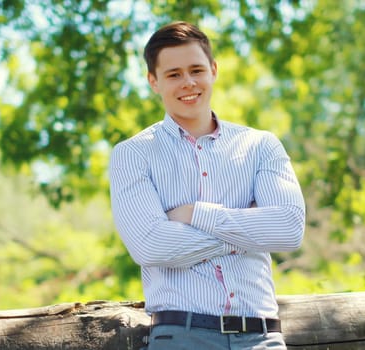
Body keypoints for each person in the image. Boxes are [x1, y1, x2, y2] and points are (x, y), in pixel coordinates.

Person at [108, 21, 306, 350]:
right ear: (153, 81)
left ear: (213, 70)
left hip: (262, 338)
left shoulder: (260, 146)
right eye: (173, 74)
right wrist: (249, 231)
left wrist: (196, 214)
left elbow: (288, 229)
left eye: (196, 70)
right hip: (182, 336)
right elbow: (150, 247)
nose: (188, 82)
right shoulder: (132, 154)